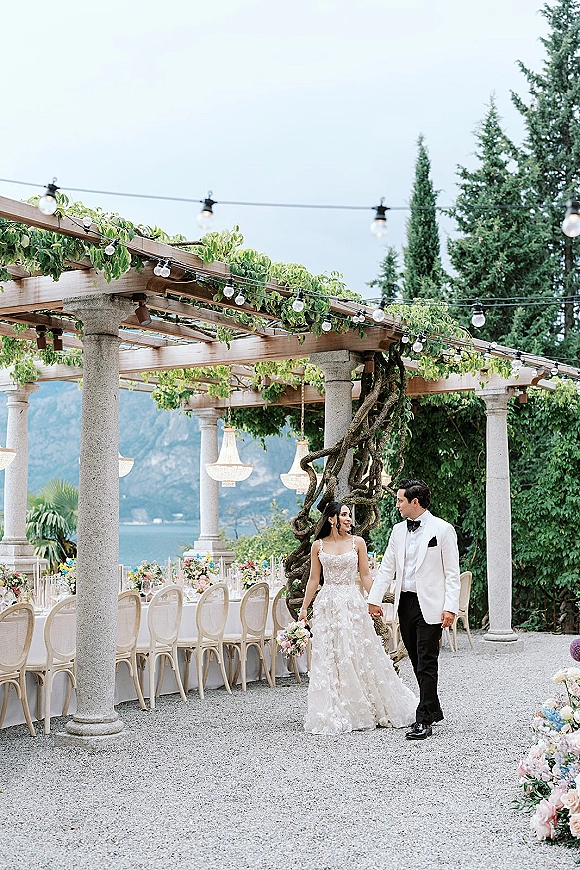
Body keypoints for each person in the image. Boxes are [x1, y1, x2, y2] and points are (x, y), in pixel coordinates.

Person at [298, 500, 417, 735]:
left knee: (357, 652)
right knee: (332, 656)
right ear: (332, 519)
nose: (349, 519)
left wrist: (374, 600)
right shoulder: (318, 546)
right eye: (344, 515)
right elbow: (314, 579)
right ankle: (336, 707)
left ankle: (367, 704)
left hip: (352, 602)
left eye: (349, 515)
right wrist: (304, 609)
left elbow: (365, 575)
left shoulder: (358, 543)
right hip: (328, 604)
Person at [367, 479, 460, 741]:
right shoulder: (397, 531)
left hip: (430, 604)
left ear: (414, 502)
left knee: (427, 659)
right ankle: (433, 706)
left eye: (400, 500)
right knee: (418, 661)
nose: (396, 504)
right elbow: (387, 568)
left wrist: (450, 607)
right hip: (405, 603)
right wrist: (374, 599)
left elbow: (452, 574)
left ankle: (424, 720)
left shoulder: (442, 529)